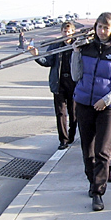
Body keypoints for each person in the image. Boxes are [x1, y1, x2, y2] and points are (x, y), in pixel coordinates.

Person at [71, 12, 111, 212]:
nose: (102, 31)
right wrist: (76, 53)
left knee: (103, 151)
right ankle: (91, 180)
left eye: (106, 27)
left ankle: (98, 192)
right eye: (99, 27)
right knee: (87, 149)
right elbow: (76, 75)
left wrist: (107, 100)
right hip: (85, 103)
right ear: (95, 28)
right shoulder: (86, 48)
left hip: (107, 106)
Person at [29, 21, 77, 150]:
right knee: (60, 113)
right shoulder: (55, 45)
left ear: (73, 32)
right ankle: (63, 140)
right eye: (64, 32)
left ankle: (71, 135)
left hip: (74, 83)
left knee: (74, 113)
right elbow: (48, 62)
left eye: (68, 32)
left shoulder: (78, 45)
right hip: (59, 83)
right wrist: (37, 56)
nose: (66, 34)